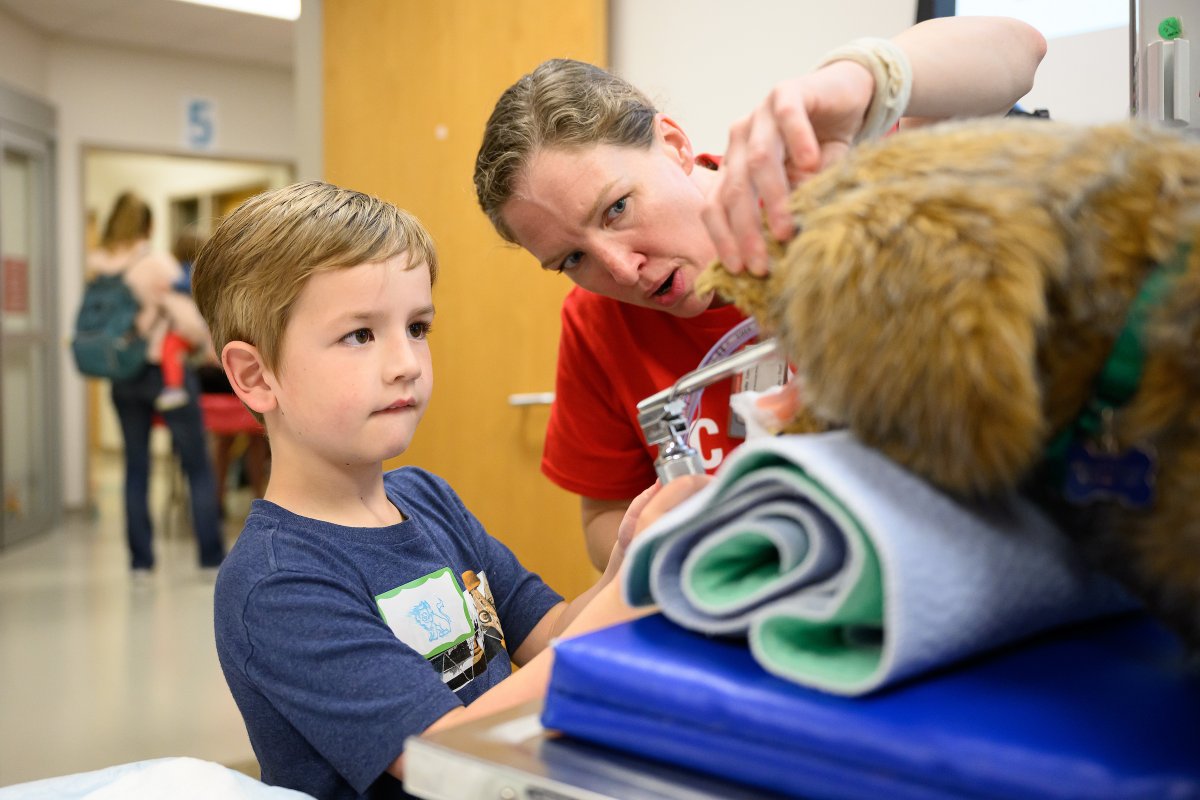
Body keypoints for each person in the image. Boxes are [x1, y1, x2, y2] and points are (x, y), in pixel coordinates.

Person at [473, 16, 1047, 571]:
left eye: (617, 208)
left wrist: (862, 75)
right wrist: (669, 538)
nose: (622, 271)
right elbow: (604, 513)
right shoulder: (595, 321)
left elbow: (1020, 50)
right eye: (573, 259)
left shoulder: (824, 178)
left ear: (672, 143)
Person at [191, 181, 704, 799]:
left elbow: (556, 632)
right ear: (255, 375)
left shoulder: (428, 500)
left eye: (417, 326)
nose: (406, 361)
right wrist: (628, 598)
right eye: (360, 335)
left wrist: (634, 556)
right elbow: (448, 759)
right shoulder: (277, 584)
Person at [87, 192, 225, 573]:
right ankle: (210, 556)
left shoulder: (100, 266)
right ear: (148, 225)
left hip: (122, 377)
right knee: (197, 464)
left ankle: (141, 562)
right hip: (166, 377)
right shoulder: (156, 263)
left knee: (136, 468)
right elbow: (191, 325)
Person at [154, 229, 207, 411]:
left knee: (170, 347)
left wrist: (171, 285)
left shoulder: (189, 269)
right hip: (198, 332)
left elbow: (190, 284)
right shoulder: (201, 269)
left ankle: (174, 387)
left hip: (191, 330)